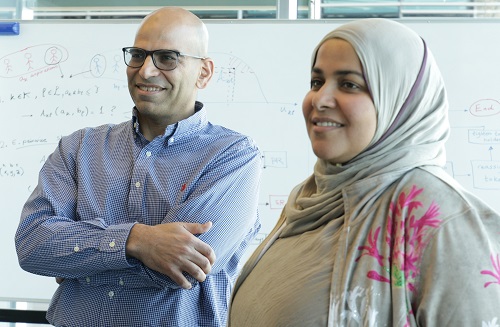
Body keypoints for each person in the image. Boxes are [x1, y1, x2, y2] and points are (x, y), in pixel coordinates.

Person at [228, 18, 500, 326]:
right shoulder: (310, 200)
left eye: (349, 85)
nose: (320, 99)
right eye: (317, 82)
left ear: (399, 101)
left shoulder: (442, 219)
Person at [15, 7, 261, 327]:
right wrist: (138, 241)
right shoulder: (78, 148)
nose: (146, 71)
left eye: (167, 57)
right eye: (138, 54)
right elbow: (33, 246)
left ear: (204, 73)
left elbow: (183, 269)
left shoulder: (233, 156)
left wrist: (80, 261)